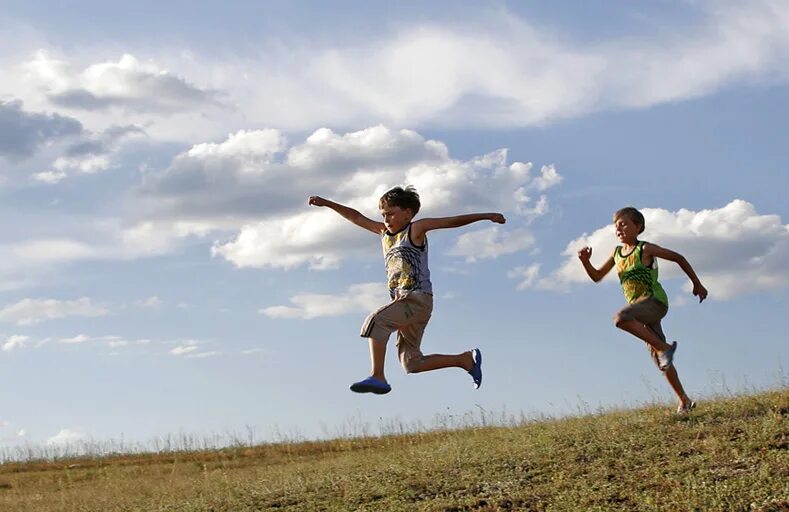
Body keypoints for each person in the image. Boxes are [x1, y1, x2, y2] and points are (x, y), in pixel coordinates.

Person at [308, 186, 506, 395]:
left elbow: (451, 221)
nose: (386, 218)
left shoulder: (416, 229)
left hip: (417, 300)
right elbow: (355, 216)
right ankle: (464, 360)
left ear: (408, 213)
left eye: (391, 213)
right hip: (403, 304)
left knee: (378, 321)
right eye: (383, 214)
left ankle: (378, 376)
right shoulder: (384, 233)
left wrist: (486, 216)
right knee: (412, 363)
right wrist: (327, 203)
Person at [577, 206, 708, 414]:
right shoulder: (617, 253)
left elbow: (678, 257)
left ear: (638, 227)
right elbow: (597, 276)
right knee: (660, 360)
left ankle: (664, 347)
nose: (619, 230)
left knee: (621, 318)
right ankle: (684, 401)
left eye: (624, 225)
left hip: (654, 302)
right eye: (616, 227)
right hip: (640, 310)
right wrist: (585, 262)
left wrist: (697, 284)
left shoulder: (644, 249)